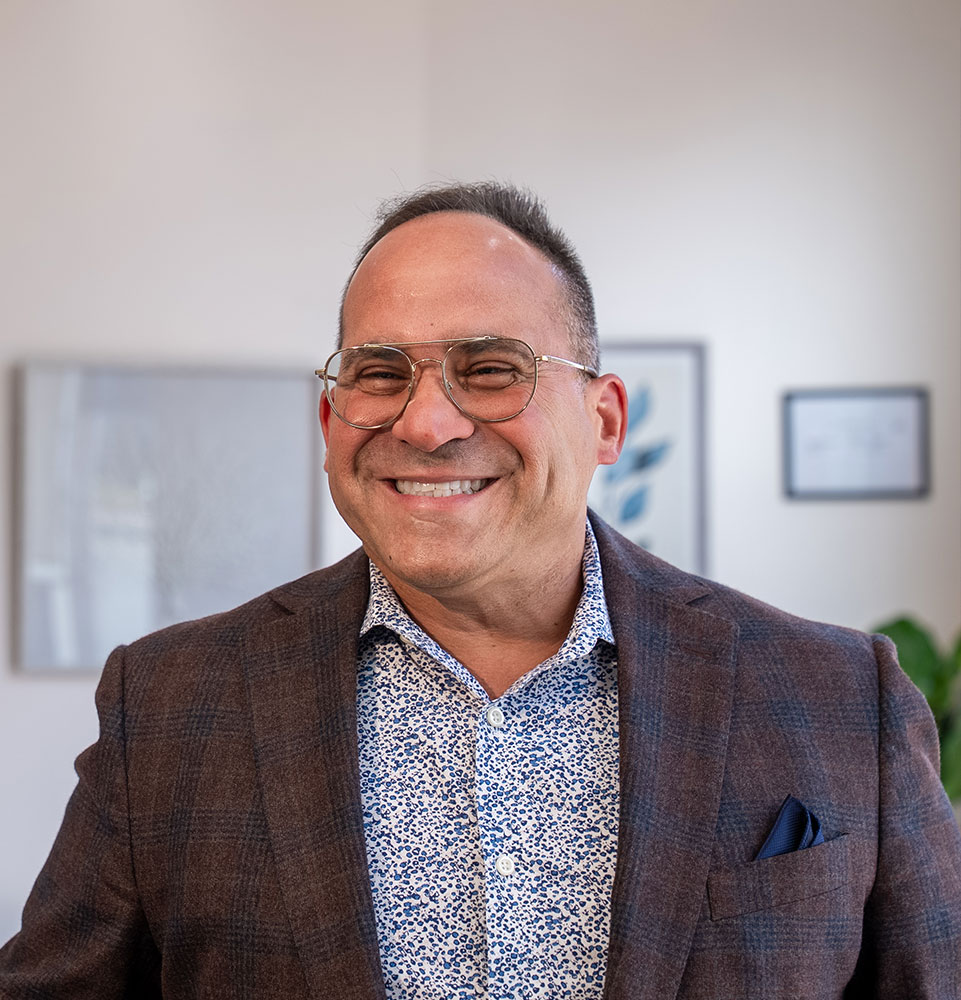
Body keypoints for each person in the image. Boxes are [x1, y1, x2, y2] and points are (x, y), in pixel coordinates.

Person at [1, 181, 959, 1000]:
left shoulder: (841, 696)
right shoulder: (169, 704)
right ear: (330, 422)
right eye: (380, 373)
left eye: (491, 369)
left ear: (605, 420)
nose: (425, 424)